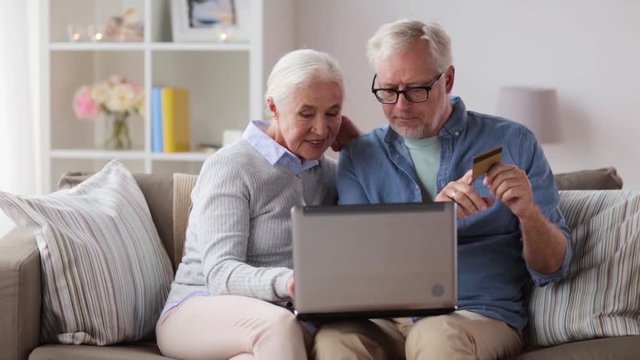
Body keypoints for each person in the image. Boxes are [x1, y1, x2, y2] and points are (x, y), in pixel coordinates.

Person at [313, 19, 573, 360]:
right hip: (386, 318)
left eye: (416, 90)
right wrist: (430, 225)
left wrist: (528, 214)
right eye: (388, 91)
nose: (400, 107)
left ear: (447, 79)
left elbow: (555, 267)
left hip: (474, 314)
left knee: (437, 334)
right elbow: (359, 264)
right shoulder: (360, 156)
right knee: (334, 340)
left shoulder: (513, 142)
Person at [156, 48, 347, 360]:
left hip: (280, 320)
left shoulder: (331, 174)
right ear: (273, 107)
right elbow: (219, 274)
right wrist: (286, 282)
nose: (322, 129)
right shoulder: (232, 166)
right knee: (278, 327)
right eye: (306, 113)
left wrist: (359, 146)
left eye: (333, 113)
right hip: (198, 309)